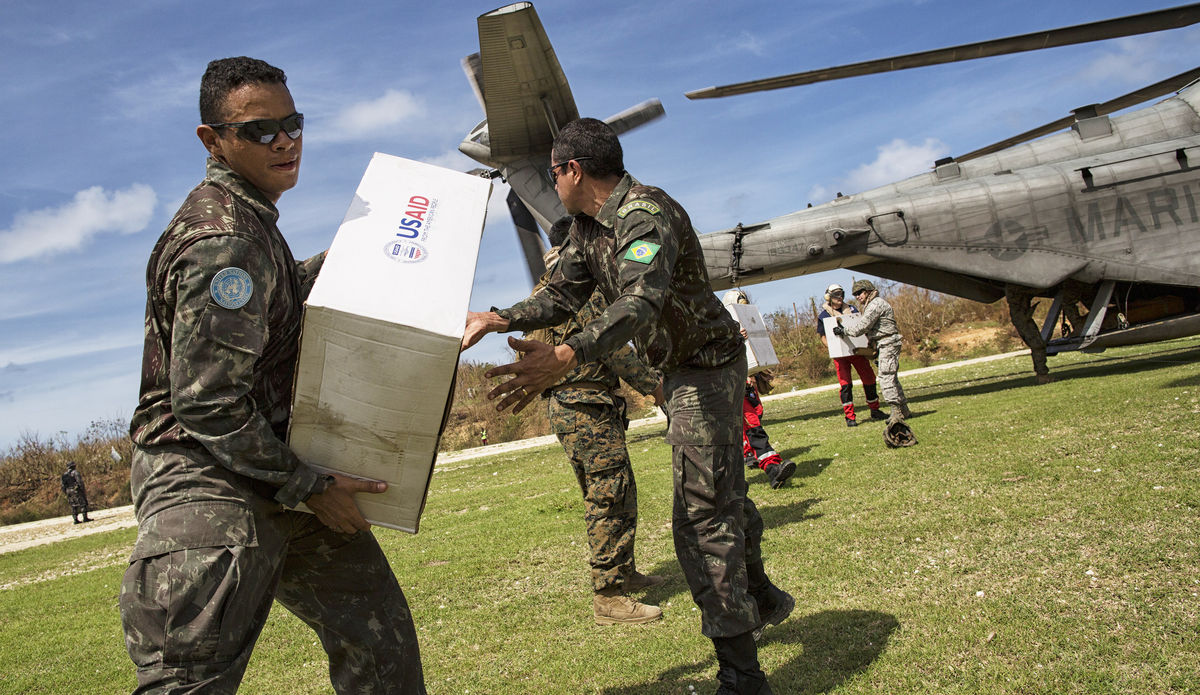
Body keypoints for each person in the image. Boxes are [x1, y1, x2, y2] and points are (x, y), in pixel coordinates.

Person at [120, 57, 425, 694]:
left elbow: (278, 301)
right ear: (213, 140)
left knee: (379, 635)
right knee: (189, 680)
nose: (284, 140)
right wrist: (310, 485)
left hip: (275, 466)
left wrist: (379, 247)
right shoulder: (224, 241)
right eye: (260, 130)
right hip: (207, 482)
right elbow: (207, 405)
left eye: (293, 123)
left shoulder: (254, 225)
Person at [462, 118, 791, 694]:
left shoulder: (647, 214)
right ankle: (759, 593)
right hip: (678, 367)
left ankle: (743, 677)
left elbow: (640, 301)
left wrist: (569, 351)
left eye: (552, 173)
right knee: (721, 492)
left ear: (572, 170)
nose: (551, 182)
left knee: (699, 514)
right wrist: (500, 318)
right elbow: (563, 292)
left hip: (708, 367)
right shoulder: (586, 229)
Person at [528, 220, 666, 625]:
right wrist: (654, 388)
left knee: (615, 490)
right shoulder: (574, 287)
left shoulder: (543, 291)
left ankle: (622, 571)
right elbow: (611, 346)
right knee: (609, 493)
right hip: (584, 404)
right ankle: (609, 596)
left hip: (574, 403)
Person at [721, 290, 795, 488]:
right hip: (730, 385)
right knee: (752, 425)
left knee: (755, 418)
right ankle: (772, 468)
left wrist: (756, 372)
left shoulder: (744, 320)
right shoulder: (719, 324)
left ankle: (754, 458)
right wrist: (734, 338)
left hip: (743, 382)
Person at [834, 280, 912, 420]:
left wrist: (844, 330)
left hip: (886, 342)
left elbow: (862, 327)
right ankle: (903, 410)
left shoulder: (875, 304)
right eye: (855, 294)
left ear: (868, 291)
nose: (857, 296)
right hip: (885, 343)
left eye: (859, 293)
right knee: (892, 379)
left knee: (886, 378)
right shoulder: (873, 304)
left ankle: (896, 412)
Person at [816, 283, 886, 426]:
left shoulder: (852, 309)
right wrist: (833, 348)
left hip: (856, 351)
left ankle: (875, 410)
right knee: (846, 385)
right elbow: (822, 336)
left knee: (869, 378)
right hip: (840, 356)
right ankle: (850, 417)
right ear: (829, 297)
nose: (840, 297)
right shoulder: (823, 316)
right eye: (836, 294)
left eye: (841, 293)